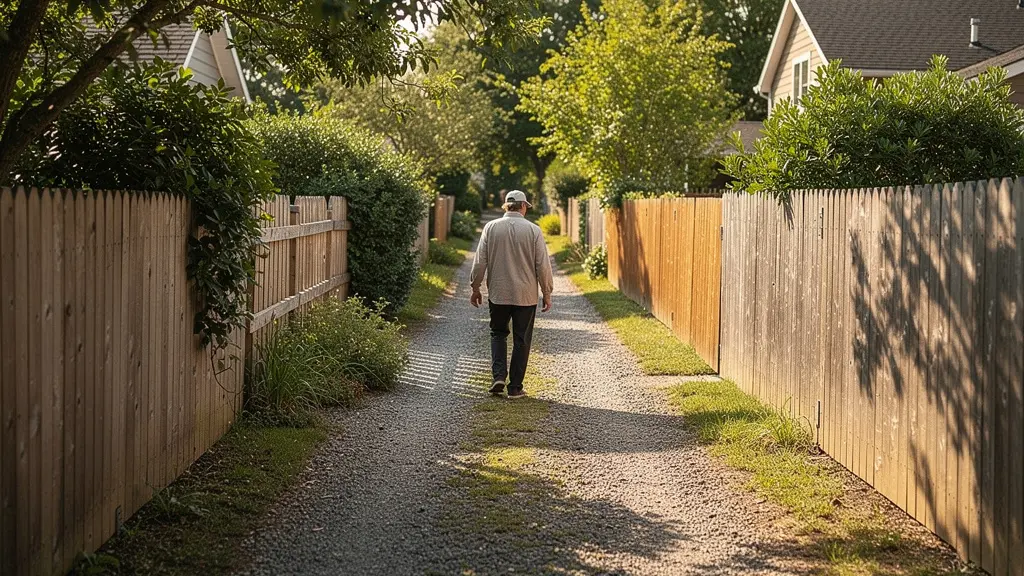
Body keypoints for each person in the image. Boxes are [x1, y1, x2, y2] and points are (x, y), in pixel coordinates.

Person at [470, 190, 554, 399]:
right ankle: (515, 387)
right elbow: (542, 265)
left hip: (498, 292)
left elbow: (480, 261)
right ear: (523, 206)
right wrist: (547, 292)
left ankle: (499, 376)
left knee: (498, 333)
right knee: (521, 339)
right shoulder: (533, 230)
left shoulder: (491, 228)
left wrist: (475, 287)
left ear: (506, 206)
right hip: (525, 295)